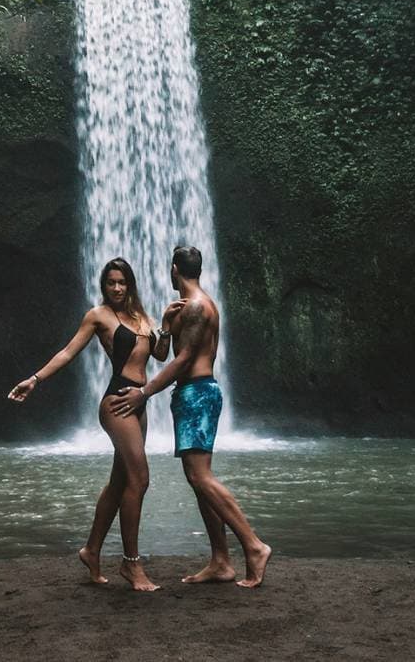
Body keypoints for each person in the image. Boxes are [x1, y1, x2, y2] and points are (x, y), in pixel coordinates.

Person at [7, 257, 180, 591]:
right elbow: (68, 352)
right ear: (104, 286)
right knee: (140, 479)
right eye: (110, 282)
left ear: (130, 284)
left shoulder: (142, 317)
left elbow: (159, 356)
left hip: (138, 403)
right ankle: (132, 565)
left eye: (121, 282)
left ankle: (91, 550)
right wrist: (35, 379)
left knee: (120, 484)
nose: (116, 288)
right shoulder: (98, 315)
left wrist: (167, 327)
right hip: (116, 402)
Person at [111, 245, 272, 588]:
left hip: (198, 394)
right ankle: (221, 561)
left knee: (201, 477)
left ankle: (254, 546)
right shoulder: (189, 308)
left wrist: (145, 392)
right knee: (197, 479)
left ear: (174, 269)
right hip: (191, 395)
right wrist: (166, 325)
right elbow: (165, 352)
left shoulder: (198, 306)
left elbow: (183, 360)